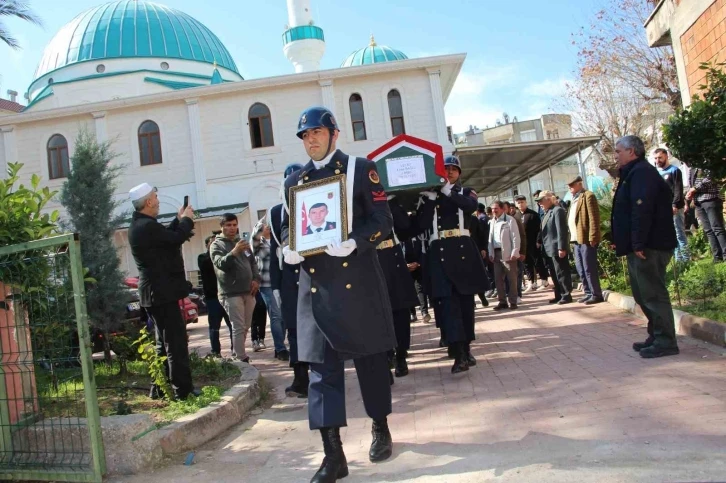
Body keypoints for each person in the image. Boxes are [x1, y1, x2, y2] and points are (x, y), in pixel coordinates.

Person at [281, 106, 396, 482]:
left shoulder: (360, 169)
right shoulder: (294, 181)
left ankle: (380, 427)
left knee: (371, 363)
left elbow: (382, 220)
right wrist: (289, 248)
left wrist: (356, 243)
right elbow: (289, 228)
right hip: (314, 288)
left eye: (317, 132)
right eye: (304, 135)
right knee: (320, 374)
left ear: (334, 133)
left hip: (355, 281)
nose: (310, 139)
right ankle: (334, 456)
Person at [418, 155, 489, 374]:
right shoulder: (431, 195)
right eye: (445, 169)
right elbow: (420, 224)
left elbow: (469, 206)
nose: (448, 172)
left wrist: (447, 191)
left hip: (462, 253)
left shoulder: (465, 192)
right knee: (447, 307)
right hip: (439, 254)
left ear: (459, 173)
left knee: (466, 306)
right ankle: (458, 353)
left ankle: (466, 348)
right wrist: (428, 201)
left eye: (453, 169)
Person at [127, 182, 198, 400]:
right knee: (175, 344)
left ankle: (159, 388)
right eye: (156, 198)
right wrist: (186, 220)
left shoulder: (144, 225)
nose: (158, 202)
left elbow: (166, 237)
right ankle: (182, 392)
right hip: (161, 293)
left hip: (156, 293)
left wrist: (178, 220)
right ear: (148, 202)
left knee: (162, 344)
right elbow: (175, 239)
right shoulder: (146, 226)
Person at [613, 136, 679, 358]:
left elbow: (642, 209)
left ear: (632, 151)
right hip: (640, 246)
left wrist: (639, 241)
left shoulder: (641, 172)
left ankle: (666, 341)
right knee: (642, 295)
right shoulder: (633, 172)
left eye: (618, 151)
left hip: (650, 245)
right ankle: (656, 335)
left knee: (653, 294)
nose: (615, 155)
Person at [269, 163, 309, 398]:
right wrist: (275, 284)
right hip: (288, 277)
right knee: (294, 330)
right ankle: (300, 377)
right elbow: (275, 250)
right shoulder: (276, 213)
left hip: (311, 273)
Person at [210, 213, 262, 363]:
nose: (232, 228)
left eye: (234, 225)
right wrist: (234, 251)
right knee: (238, 326)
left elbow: (253, 263)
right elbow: (221, 264)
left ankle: (236, 353)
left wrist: (256, 279)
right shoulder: (216, 245)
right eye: (228, 225)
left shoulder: (242, 242)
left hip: (249, 291)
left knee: (245, 326)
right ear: (221, 227)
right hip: (230, 293)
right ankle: (241, 358)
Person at [377, 198, 420, 378]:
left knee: (400, 314)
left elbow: (406, 228)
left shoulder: (389, 203)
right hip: (369, 261)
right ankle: (386, 359)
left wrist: (392, 201)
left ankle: (401, 356)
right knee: (377, 316)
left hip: (393, 259)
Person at [252, 218, 289, 360]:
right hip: (267, 284)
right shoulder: (258, 244)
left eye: (268, 226)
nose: (268, 228)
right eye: (265, 227)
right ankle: (280, 348)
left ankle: (280, 346)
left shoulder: (278, 241)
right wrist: (259, 228)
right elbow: (254, 238)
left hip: (283, 283)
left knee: (284, 317)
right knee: (276, 316)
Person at [567, 176, 604, 305]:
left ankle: (596, 294)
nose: (569, 187)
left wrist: (593, 236)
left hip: (586, 238)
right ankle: (588, 293)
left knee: (589, 267)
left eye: (572, 185)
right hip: (576, 239)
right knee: (581, 268)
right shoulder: (573, 199)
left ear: (579, 184)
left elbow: (594, 217)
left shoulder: (588, 196)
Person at [536, 190, 573, 304]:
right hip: (549, 249)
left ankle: (566, 295)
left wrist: (561, 247)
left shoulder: (558, 211)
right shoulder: (548, 212)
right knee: (554, 273)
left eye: (541, 200)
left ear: (548, 199)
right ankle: (559, 294)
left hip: (557, 247)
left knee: (561, 272)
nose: (539, 203)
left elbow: (561, 231)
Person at [198, 236, 232, 357]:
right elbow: (207, 263)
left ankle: (235, 350)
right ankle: (216, 351)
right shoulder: (202, 258)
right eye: (212, 243)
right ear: (207, 245)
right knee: (214, 327)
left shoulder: (223, 256)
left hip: (227, 295)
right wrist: (213, 250)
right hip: (212, 298)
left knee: (232, 325)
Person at [655, 149, 690, 263]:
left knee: (679, 233)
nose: (657, 160)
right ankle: (678, 260)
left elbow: (678, 189)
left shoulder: (674, 171)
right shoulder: (657, 173)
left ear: (666, 156)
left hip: (675, 207)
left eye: (660, 157)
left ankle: (686, 259)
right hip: (663, 209)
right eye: (655, 158)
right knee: (671, 235)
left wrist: (674, 205)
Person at [687, 166, 726, 262]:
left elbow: (710, 178)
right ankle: (717, 257)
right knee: (708, 230)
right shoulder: (692, 168)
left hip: (711, 199)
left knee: (717, 228)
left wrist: (694, 189)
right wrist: (690, 193)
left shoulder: (706, 163)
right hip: (698, 202)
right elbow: (691, 184)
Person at [488, 200, 521, 311]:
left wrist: (515, 252)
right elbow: (490, 239)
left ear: (502, 209)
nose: (494, 211)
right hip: (496, 254)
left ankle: (513, 301)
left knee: (512, 279)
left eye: (496, 208)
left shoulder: (510, 220)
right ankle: (502, 302)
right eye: (492, 209)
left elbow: (515, 237)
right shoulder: (492, 221)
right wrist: (490, 253)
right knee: (498, 279)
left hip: (508, 253)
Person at [515, 195, 543, 292]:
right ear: (516, 204)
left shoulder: (533, 214)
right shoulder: (516, 216)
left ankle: (544, 280)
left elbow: (540, 229)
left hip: (533, 243)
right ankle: (531, 282)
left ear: (526, 202)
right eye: (518, 202)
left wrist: (538, 241)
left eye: (522, 202)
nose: (521, 204)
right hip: (523, 245)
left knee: (537, 261)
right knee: (526, 264)